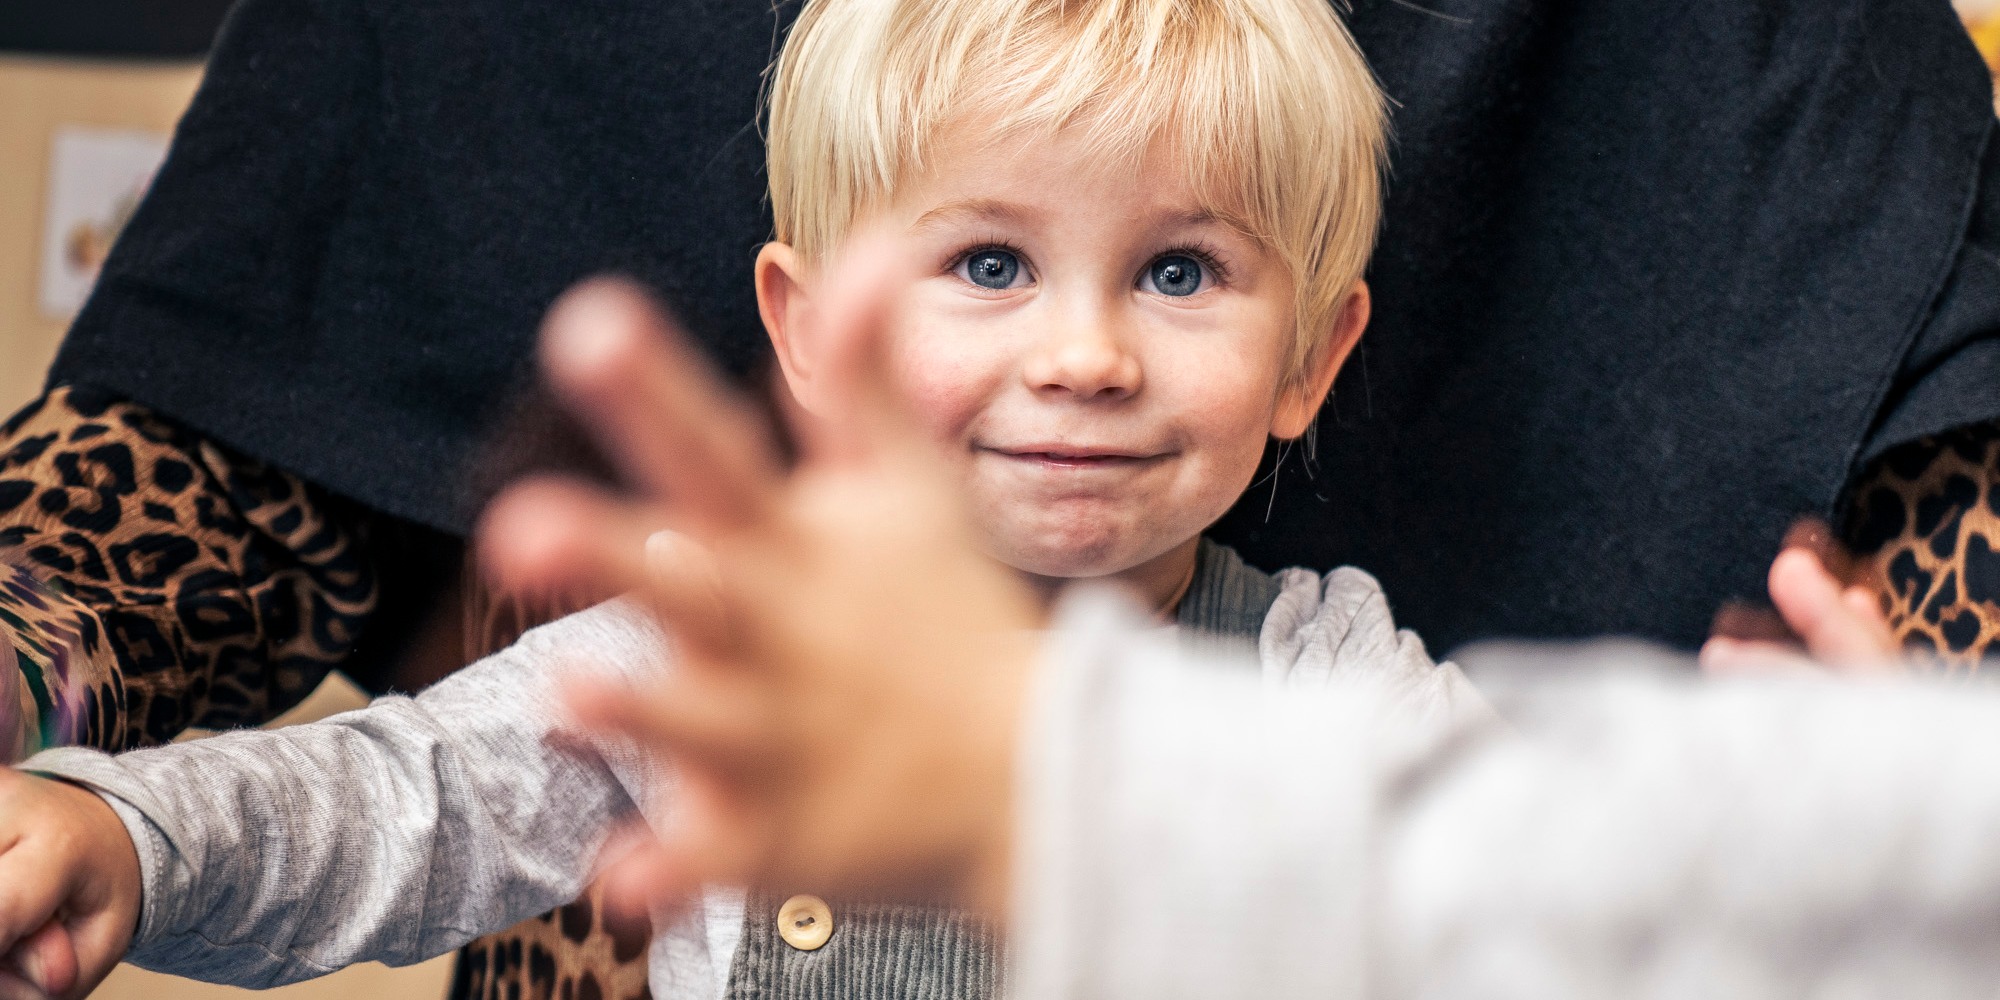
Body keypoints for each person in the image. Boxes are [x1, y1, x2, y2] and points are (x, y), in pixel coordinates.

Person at [0, 1, 1488, 996]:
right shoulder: (707, 656)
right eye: (989, 266)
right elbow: (410, 799)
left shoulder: (1333, 682)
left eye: (1180, 273)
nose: (1085, 357)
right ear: (805, 332)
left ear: (1310, 357)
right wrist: (132, 836)